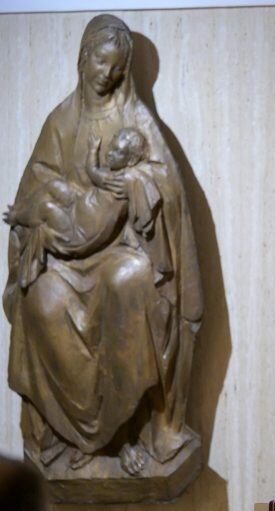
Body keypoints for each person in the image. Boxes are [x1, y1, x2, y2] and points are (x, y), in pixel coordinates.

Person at [4, 14, 202, 477]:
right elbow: (36, 187)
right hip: (66, 254)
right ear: (83, 57)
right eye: (99, 61)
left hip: (120, 249)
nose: (106, 74)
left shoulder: (135, 120)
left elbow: (167, 190)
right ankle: (73, 433)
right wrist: (47, 213)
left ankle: (123, 435)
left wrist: (131, 182)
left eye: (116, 67)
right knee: (41, 300)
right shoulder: (61, 121)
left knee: (130, 282)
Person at [3, 128, 160, 265]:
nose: (110, 154)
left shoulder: (122, 181)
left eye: (117, 152)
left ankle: (17, 217)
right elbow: (93, 172)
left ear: (131, 160)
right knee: (54, 185)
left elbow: (93, 171)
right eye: (111, 148)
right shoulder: (112, 173)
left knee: (47, 208)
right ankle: (25, 210)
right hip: (77, 206)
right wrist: (93, 150)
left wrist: (92, 151)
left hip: (77, 234)